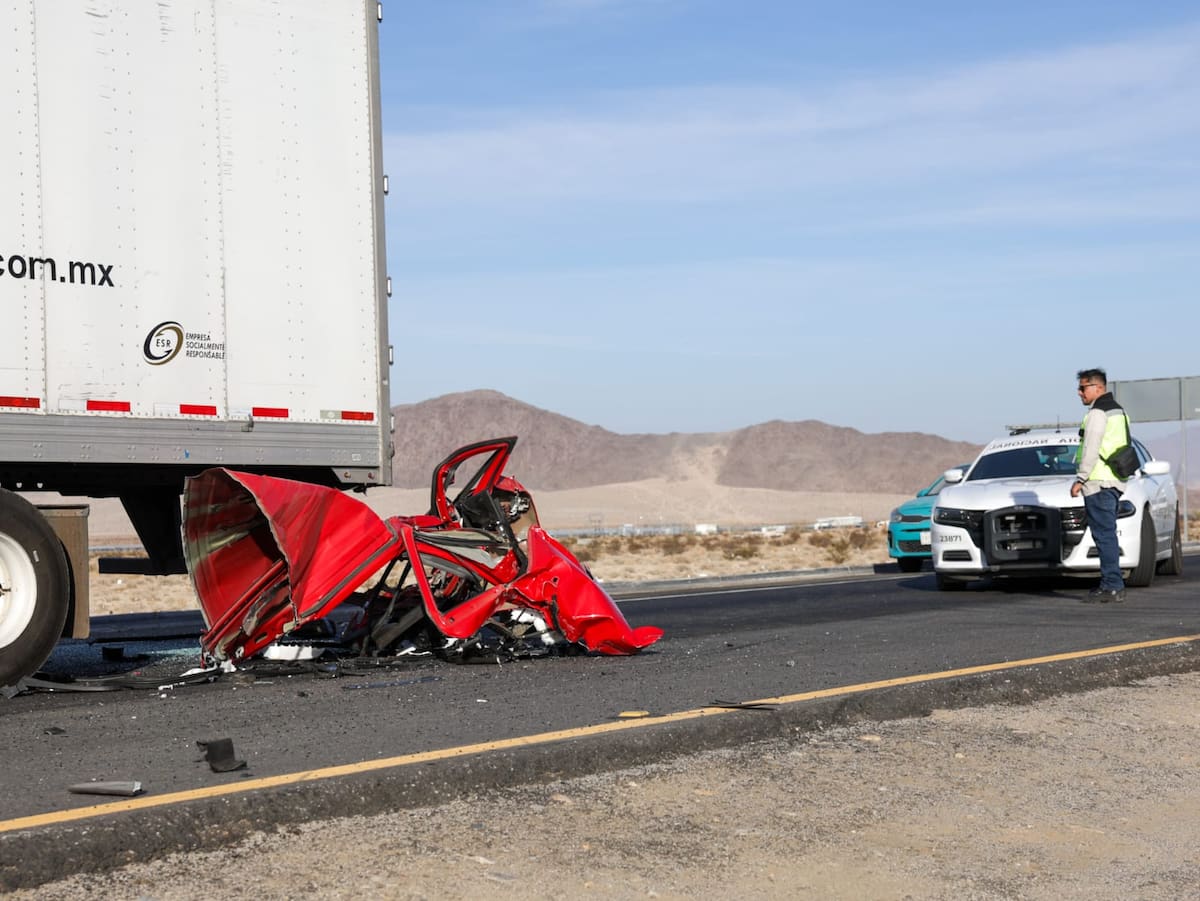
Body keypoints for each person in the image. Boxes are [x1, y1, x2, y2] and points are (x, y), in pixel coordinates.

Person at [1071, 368, 1129, 603]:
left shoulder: (1097, 413)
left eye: (1083, 388)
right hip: (1114, 480)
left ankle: (1112, 585)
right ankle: (1112, 583)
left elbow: (1091, 447)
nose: (1079, 393)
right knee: (1107, 534)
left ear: (1098, 388)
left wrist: (1081, 478)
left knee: (1104, 535)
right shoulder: (1118, 411)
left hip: (1098, 481)